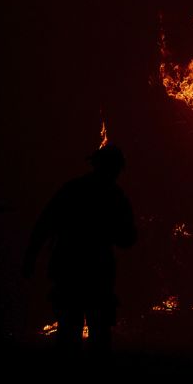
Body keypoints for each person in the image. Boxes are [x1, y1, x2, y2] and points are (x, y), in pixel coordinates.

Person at [24, 144, 137, 357]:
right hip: (95, 271)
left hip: (69, 268)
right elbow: (128, 239)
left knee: (71, 329)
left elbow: (44, 224)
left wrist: (30, 257)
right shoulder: (115, 196)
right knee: (97, 331)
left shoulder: (73, 189)